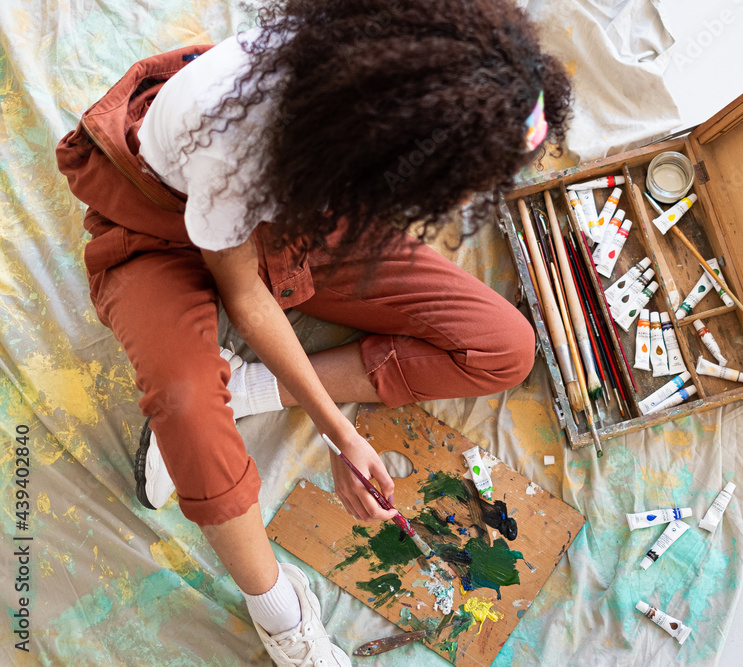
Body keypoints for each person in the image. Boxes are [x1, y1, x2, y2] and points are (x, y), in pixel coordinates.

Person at [56, 1, 571, 664]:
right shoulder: (240, 134)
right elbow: (246, 296)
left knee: (505, 346)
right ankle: (282, 618)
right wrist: (340, 429)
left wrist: (312, 411)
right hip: (168, 232)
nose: (460, 204)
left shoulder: (374, 93)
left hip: (290, 216)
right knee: (185, 402)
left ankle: (243, 388)